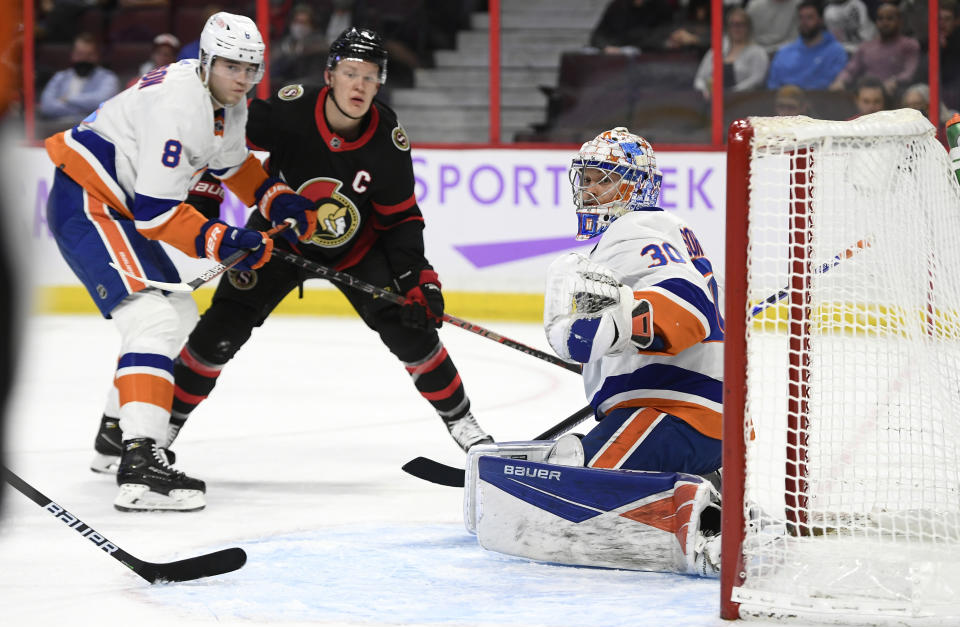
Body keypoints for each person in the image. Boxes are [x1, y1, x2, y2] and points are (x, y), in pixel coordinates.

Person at [167, 28, 493, 454]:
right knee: (218, 333)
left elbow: (401, 220)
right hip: (278, 240)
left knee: (412, 335)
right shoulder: (292, 109)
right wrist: (205, 187)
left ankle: (463, 423)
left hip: (358, 251)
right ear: (330, 75)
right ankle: (161, 429)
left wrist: (419, 278)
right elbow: (222, 133)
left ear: (380, 83)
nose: (359, 85)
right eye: (350, 73)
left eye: (370, 76)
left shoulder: (388, 141)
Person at [45, 12, 319, 512]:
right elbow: (155, 215)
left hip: (114, 206)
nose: (242, 78)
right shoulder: (179, 105)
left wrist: (279, 201)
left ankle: (116, 435)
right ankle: (141, 464)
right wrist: (226, 240)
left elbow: (233, 165)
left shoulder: (223, 99)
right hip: (91, 204)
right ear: (208, 61)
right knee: (150, 318)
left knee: (178, 315)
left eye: (251, 68)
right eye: (232, 66)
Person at [464, 127, 723, 576]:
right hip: (696, 415)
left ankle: (700, 523)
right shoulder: (665, 231)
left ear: (636, 185)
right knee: (576, 466)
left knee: (568, 494)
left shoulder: (635, 229)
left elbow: (689, 307)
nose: (589, 189)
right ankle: (709, 489)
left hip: (676, 413)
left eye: (603, 179)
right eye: (586, 178)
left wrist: (620, 324)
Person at [829, 2, 920, 97]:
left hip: (896, 95)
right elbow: (850, 70)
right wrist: (841, 81)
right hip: (868, 97)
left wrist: (895, 81)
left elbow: (910, 71)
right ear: (876, 22)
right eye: (880, 18)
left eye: (889, 18)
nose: (884, 22)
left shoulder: (909, 45)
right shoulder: (866, 47)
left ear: (900, 22)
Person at [38, 32, 120, 133]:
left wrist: (67, 99)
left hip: (92, 131)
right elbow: (47, 106)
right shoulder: (60, 77)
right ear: (72, 55)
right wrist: (85, 111)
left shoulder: (108, 78)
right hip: (57, 130)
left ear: (97, 56)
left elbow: (103, 102)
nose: (84, 59)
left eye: (89, 55)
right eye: (80, 54)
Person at [766, 0, 848, 89]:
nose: (804, 22)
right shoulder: (784, 52)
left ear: (821, 20)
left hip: (819, 100)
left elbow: (830, 85)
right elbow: (772, 85)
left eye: (809, 17)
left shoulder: (835, 52)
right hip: (784, 100)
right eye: (801, 18)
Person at [693, 7, 769, 98]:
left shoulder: (758, 52)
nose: (736, 28)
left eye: (740, 24)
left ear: (748, 27)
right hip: (712, 101)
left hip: (743, 101)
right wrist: (705, 90)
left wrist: (731, 93)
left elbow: (757, 79)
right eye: (732, 24)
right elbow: (699, 79)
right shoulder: (716, 50)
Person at [270, 4, 329, 86]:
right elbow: (273, 72)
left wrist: (290, 85)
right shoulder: (285, 44)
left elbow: (317, 79)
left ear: (312, 26)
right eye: (296, 21)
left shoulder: (320, 47)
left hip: (308, 91)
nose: (299, 26)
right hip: (285, 90)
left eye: (303, 23)